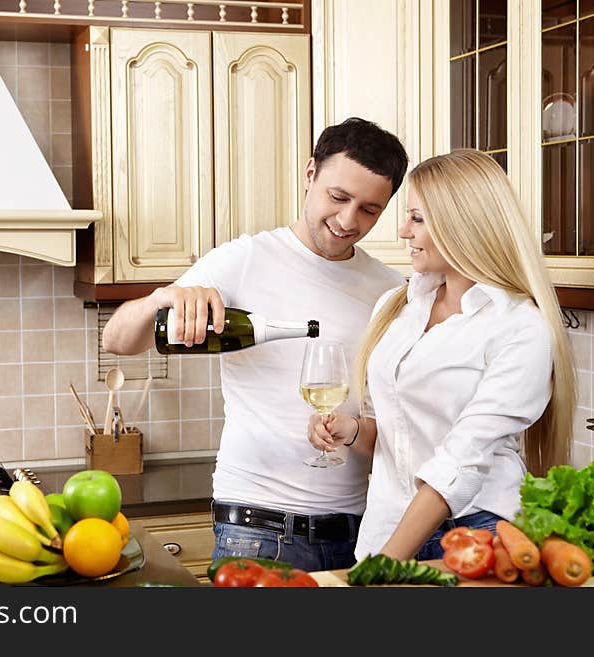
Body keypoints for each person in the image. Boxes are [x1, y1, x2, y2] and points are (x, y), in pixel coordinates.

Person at [102, 118, 409, 571]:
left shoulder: (389, 289)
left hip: (359, 532)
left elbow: (396, 421)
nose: (348, 221)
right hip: (256, 530)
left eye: (369, 210)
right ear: (310, 175)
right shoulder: (244, 260)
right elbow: (117, 340)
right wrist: (163, 298)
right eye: (338, 197)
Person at [308, 148, 577, 562]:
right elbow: (402, 435)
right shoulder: (396, 307)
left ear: (461, 224)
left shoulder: (521, 328)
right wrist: (356, 431)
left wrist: (384, 565)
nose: (402, 230)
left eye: (417, 218)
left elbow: (462, 461)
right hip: (387, 527)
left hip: (479, 535)